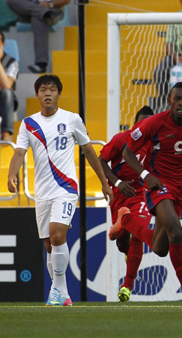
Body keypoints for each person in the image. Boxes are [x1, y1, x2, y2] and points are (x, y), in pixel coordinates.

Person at [6, 74, 113, 306]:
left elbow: (89, 152)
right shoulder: (28, 124)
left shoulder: (72, 119)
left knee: (57, 234)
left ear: (58, 94)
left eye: (52, 90)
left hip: (66, 187)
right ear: (37, 94)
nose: (47, 93)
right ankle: (62, 294)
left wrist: (104, 181)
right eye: (43, 89)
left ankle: (58, 289)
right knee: (49, 244)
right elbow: (19, 153)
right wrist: (11, 173)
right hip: (42, 190)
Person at [109, 82, 182, 312]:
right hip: (158, 186)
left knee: (160, 248)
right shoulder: (154, 123)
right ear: (169, 100)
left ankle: (125, 221)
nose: (181, 104)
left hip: (179, 188)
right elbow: (127, 152)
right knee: (176, 232)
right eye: (177, 99)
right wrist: (146, 176)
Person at [99, 106, 154, 302]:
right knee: (123, 242)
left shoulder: (156, 143)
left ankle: (127, 286)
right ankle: (120, 236)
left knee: (138, 232)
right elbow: (101, 161)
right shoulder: (121, 139)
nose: (145, 126)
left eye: (150, 122)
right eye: (142, 122)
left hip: (141, 193)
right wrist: (118, 183)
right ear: (134, 124)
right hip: (119, 193)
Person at [6, 0, 67, 73]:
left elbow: (66, 1)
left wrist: (49, 5)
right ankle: (44, 13)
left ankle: (41, 64)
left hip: (53, 9)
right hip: (30, 8)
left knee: (39, 18)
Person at [0, 31, 19, 141]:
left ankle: (6, 134)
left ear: (3, 44)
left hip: (3, 101)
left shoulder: (11, 62)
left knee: (7, 92)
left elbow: (7, 85)